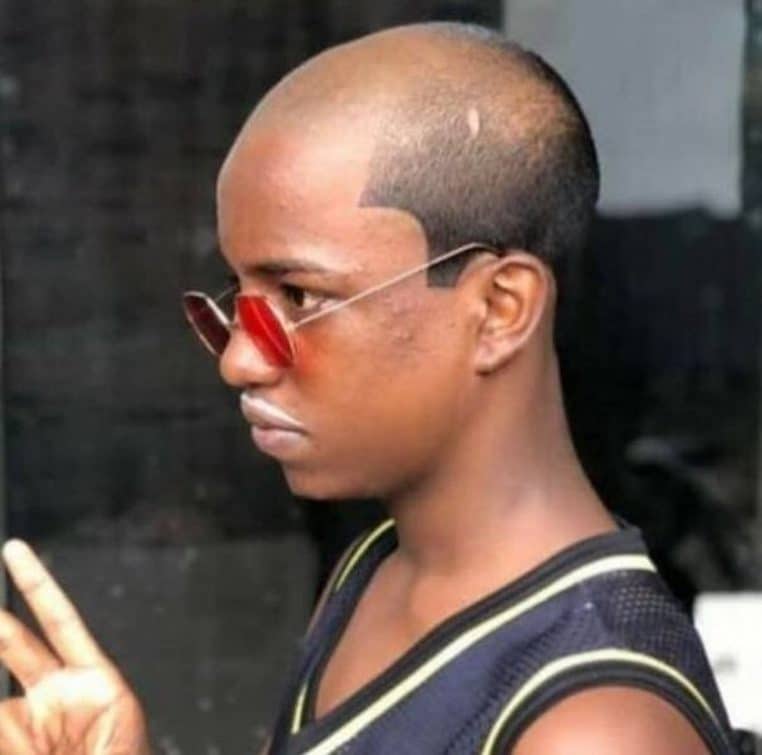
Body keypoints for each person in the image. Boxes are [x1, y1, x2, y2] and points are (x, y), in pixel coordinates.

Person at [0, 21, 737, 755]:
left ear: (499, 308)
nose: (239, 361)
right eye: (238, 296)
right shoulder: (374, 569)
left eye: (297, 296)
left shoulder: (591, 728)